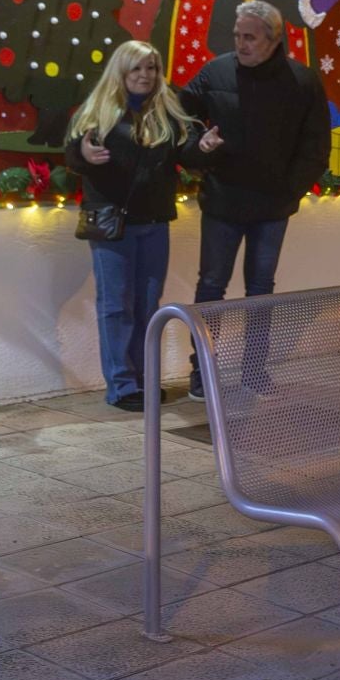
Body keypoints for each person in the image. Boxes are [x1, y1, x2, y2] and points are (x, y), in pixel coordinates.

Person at [178, 0, 330, 399]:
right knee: (211, 287)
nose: (241, 44)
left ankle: (254, 372)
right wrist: (200, 149)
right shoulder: (215, 72)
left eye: (250, 37)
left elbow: (316, 147)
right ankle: (202, 373)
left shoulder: (303, 81)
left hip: (273, 207)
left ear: (273, 39)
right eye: (237, 36)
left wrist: (289, 189)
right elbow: (179, 119)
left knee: (261, 290)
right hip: (223, 202)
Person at [66, 41, 223, 412]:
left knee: (147, 305)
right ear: (120, 72)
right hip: (113, 227)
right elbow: (75, 154)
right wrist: (84, 155)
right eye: (137, 69)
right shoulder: (98, 113)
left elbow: (182, 156)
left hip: (154, 223)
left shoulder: (165, 113)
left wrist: (203, 147)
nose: (145, 76)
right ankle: (121, 386)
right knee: (116, 305)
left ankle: (142, 381)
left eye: (151, 68)